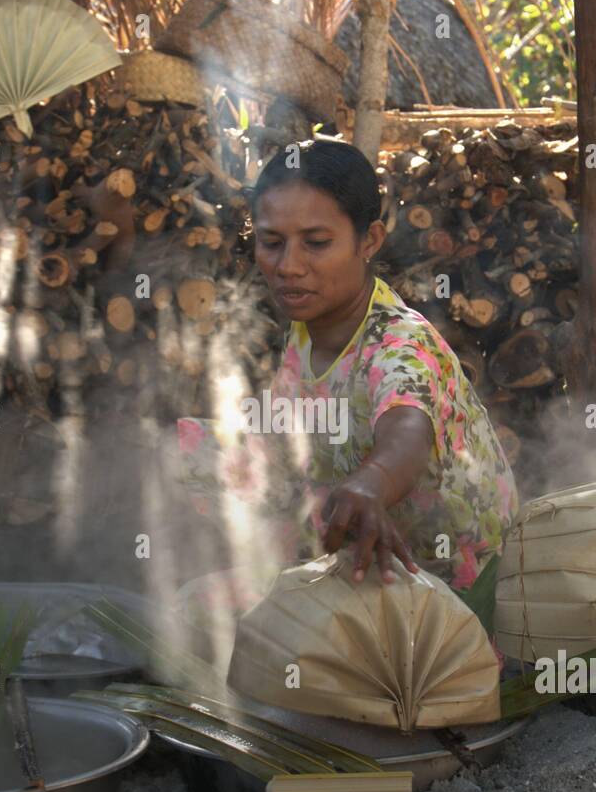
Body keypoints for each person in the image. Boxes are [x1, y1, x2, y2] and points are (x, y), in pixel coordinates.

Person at [178, 138, 517, 631]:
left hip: (456, 599)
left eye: (316, 243)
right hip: (362, 565)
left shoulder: (401, 344)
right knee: (187, 453)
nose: (288, 265)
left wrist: (370, 483)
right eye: (272, 242)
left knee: (217, 619)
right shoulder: (306, 330)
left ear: (370, 240)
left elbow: (407, 432)